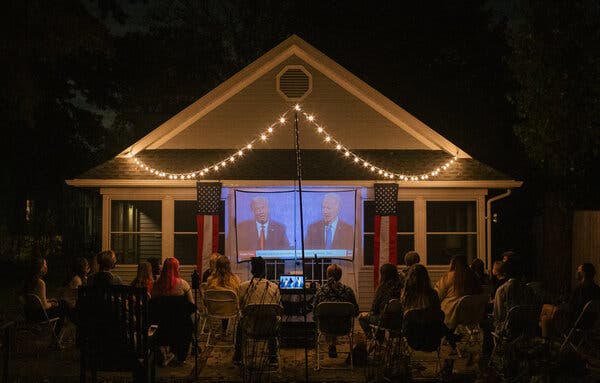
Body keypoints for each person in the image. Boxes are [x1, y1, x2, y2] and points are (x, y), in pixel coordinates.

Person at [233, 257, 282, 365]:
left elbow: (240, 308)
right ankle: (273, 357)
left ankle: (238, 357)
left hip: (250, 328)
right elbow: (278, 308)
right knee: (274, 319)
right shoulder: (274, 287)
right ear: (265, 270)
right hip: (269, 330)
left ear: (251, 270)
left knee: (241, 321)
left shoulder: (242, 287)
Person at [401, 264, 460, 350]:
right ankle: (451, 337)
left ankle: (450, 336)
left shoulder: (407, 295)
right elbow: (438, 315)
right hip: (432, 341)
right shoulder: (433, 294)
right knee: (437, 316)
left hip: (413, 340)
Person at [151, 258, 194, 365]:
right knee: (195, 317)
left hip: (161, 323)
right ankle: (184, 352)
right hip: (180, 324)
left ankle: (164, 349)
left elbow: (153, 303)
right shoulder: (183, 284)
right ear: (177, 269)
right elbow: (192, 305)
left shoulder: (156, 284)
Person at [313, 264, 359, 358]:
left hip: (325, 327)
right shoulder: (348, 291)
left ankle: (331, 344)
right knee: (336, 317)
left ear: (327, 275)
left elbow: (315, 312)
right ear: (340, 275)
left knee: (327, 317)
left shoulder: (321, 290)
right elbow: (356, 311)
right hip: (344, 327)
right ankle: (333, 344)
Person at [22, 257, 69, 343]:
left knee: (61, 303)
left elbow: (37, 299)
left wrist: (49, 301)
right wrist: (51, 304)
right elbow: (44, 306)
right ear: (40, 267)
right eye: (45, 264)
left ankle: (57, 336)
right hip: (39, 315)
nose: (46, 267)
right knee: (63, 305)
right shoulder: (40, 283)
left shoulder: (28, 281)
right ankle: (56, 338)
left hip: (29, 313)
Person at [435, 255, 482, 329]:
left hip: (450, 314)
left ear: (453, 264)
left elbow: (437, 296)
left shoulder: (448, 277)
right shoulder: (473, 276)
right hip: (471, 315)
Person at [493, 257, 539, 331]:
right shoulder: (528, 289)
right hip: (527, 329)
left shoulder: (501, 290)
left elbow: (498, 316)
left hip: (508, 330)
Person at [359, 263, 403, 339]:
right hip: (399, 322)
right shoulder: (402, 288)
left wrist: (371, 313)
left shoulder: (382, 288)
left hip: (384, 321)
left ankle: (374, 339)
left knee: (362, 317)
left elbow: (374, 308)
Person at [206, 255, 241, 335]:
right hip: (231, 310)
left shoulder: (210, 280)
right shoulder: (235, 280)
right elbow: (239, 296)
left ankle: (222, 330)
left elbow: (206, 300)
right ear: (229, 266)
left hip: (214, 310)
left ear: (216, 266)